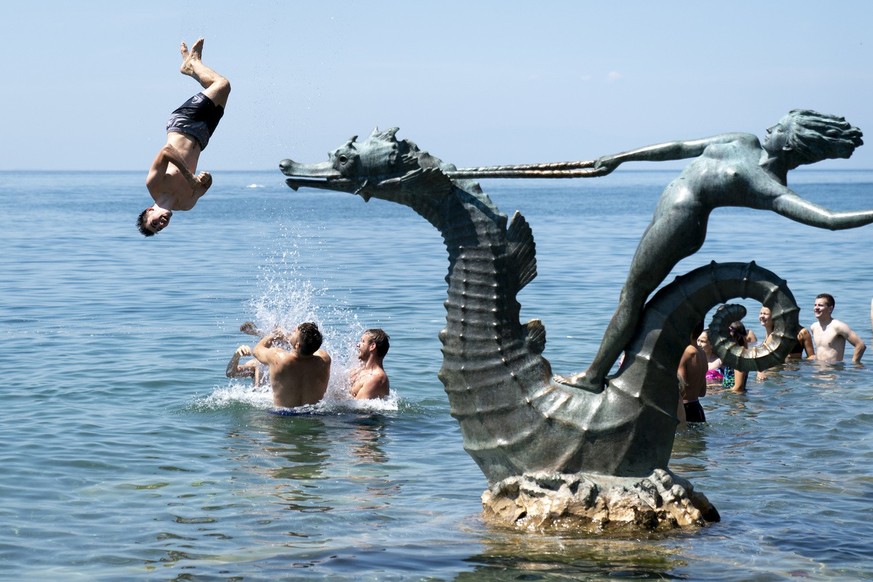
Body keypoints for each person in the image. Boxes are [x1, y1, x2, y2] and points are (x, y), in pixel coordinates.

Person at [555, 110, 871, 392]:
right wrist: (620, 158)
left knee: (632, 296)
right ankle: (623, 370)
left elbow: (829, 219)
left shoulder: (770, 187)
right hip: (666, 212)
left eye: (779, 127)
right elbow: (680, 147)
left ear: (789, 145)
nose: (769, 127)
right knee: (633, 297)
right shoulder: (742, 141)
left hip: (682, 223)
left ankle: (594, 375)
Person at [138, 38, 231, 236]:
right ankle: (189, 67)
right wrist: (206, 179)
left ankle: (193, 63)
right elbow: (204, 186)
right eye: (160, 228)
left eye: (154, 223)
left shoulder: (154, 184)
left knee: (222, 84)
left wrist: (189, 177)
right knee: (221, 90)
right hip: (203, 136)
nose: (161, 224)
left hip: (182, 125)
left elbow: (166, 152)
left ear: (150, 211)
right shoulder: (187, 204)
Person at [253, 323, 332, 408]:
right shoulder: (324, 359)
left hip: (283, 415)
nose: (292, 332)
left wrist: (272, 336)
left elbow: (257, 350)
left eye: (295, 332)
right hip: (314, 414)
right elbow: (309, 346)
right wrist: (292, 338)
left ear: (297, 345)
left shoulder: (278, 358)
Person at [810, 293, 866, 363]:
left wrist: (855, 365)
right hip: (817, 370)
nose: (816, 308)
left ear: (830, 309)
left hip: (833, 371)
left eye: (820, 305)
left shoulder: (838, 326)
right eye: (815, 305)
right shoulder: (814, 327)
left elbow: (860, 345)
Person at [349, 329, 391, 400]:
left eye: (363, 341)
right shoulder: (358, 370)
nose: (357, 345)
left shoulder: (376, 379)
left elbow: (356, 408)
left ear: (372, 346)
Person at [677, 325, 707, 423]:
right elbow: (702, 392)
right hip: (698, 410)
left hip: (684, 411)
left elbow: (680, 387)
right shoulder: (702, 353)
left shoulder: (686, 352)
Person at [722, 322, 749, 393]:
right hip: (731, 396)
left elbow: (738, 387)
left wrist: (720, 392)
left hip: (736, 399)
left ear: (739, 336)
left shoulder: (739, 357)